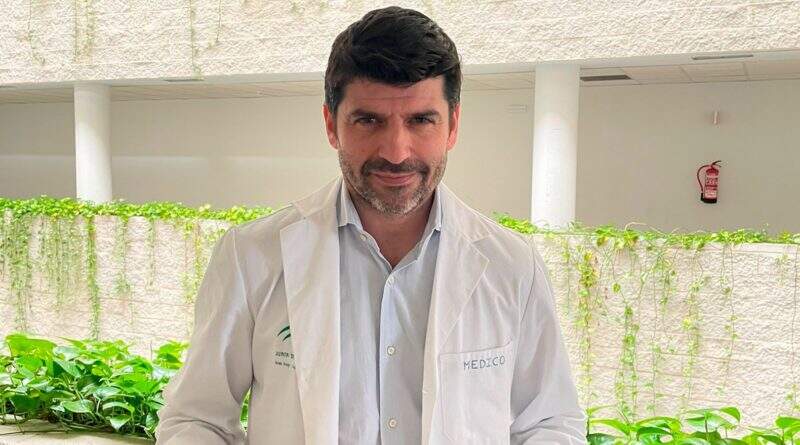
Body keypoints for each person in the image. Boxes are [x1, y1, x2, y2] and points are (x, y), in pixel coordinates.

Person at [156, 6, 586, 444]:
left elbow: (550, 423)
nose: (396, 151)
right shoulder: (253, 256)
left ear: (453, 125)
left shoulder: (513, 265)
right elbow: (196, 419)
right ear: (331, 125)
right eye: (368, 120)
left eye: (421, 120)